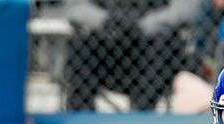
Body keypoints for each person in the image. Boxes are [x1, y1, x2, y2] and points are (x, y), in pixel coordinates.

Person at [62, 0, 191, 111]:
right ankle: (82, 121)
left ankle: (141, 117)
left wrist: (143, 25)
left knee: (164, 47)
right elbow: (73, 8)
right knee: (81, 47)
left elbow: (187, 10)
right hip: (108, 45)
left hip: (152, 45)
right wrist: (109, 20)